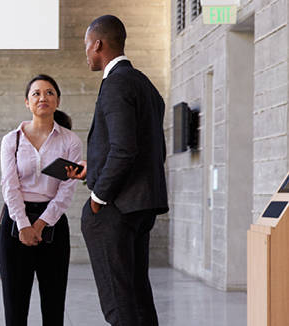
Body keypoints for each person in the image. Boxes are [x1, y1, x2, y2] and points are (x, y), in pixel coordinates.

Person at [67, 15, 169, 326]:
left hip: (117, 207)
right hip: (142, 204)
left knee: (119, 302)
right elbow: (148, 148)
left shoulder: (115, 84)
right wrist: (93, 168)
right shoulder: (145, 84)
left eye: (87, 46)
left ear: (98, 44)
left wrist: (98, 197)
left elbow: (124, 150)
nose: (86, 53)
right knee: (138, 295)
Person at [0, 75, 81, 326]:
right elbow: (9, 185)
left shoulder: (70, 141)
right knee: (15, 309)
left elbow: (67, 189)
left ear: (57, 101)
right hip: (14, 225)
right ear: (27, 102)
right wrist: (23, 224)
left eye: (49, 93)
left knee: (54, 308)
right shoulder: (11, 140)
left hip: (53, 226)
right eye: (36, 93)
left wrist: (41, 224)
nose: (42, 97)